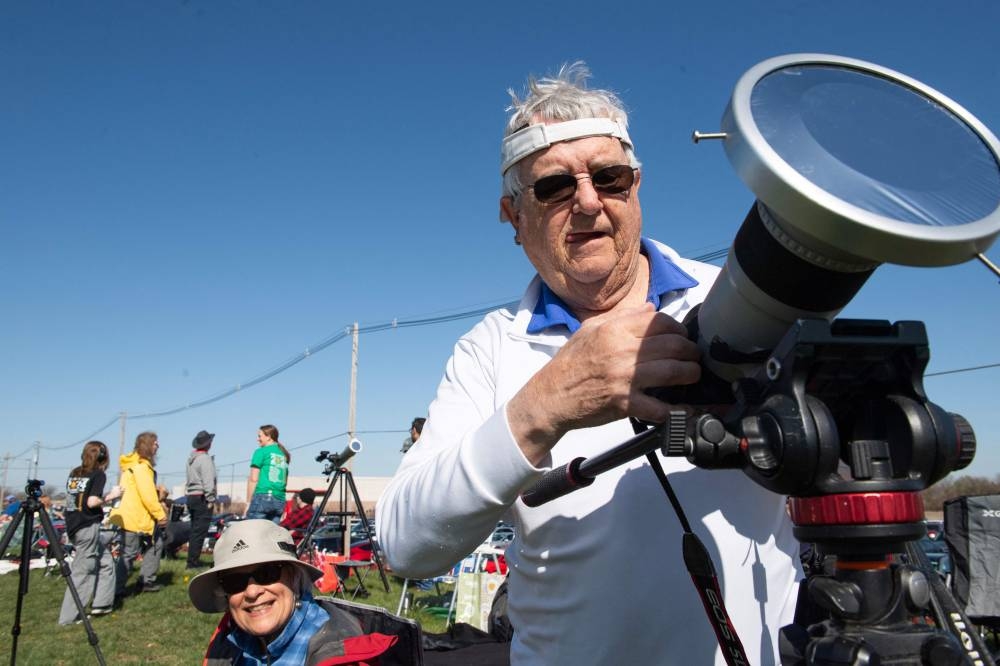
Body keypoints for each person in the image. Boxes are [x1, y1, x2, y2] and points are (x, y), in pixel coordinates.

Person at [376, 63, 801, 665]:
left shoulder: (734, 301)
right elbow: (404, 545)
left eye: (610, 176)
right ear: (513, 216)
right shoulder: (491, 348)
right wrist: (543, 406)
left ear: (637, 186)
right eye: (553, 186)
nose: (586, 201)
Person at [188, 520, 420, 665]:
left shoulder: (337, 653)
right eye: (234, 580)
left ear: (296, 577)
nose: (251, 591)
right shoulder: (230, 637)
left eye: (267, 573)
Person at [57, 441, 123, 625]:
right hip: (87, 526)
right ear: (103, 457)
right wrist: (112, 495)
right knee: (83, 571)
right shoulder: (98, 474)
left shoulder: (76, 473)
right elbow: (92, 502)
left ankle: (102, 604)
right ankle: (69, 617)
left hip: (73, 524)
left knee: (106, 562)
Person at [110, 431, 167, 597]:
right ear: (148, 445)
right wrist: (160, 514)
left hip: (133, 515)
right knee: (129, 553)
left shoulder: (133, 465)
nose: (158, 446)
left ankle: (146, 580)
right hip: (135, 517)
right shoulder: (141, 467)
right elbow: (147, 495)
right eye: (155, 443)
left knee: (155, 544)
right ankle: (115, 590)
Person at [245, 424, 290, 523]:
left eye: (259, 436)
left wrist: (248, 502)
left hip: (263, 496)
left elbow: (253, 479)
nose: (258, 439)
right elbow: (285, 481)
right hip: (280, 499)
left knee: (252, 533)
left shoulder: (261, 452)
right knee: (270, 535)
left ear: (269, 436)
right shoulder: (284, 455)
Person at [186, 429, 217, 569]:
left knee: (194, 530)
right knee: (200, 531)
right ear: (208, 444)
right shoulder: (205, 459)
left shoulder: (191, 459)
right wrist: (210, 499)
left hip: (191, 496)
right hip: (202, 497)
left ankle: (192, 559)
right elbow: (208, 482)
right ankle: (193, 562)